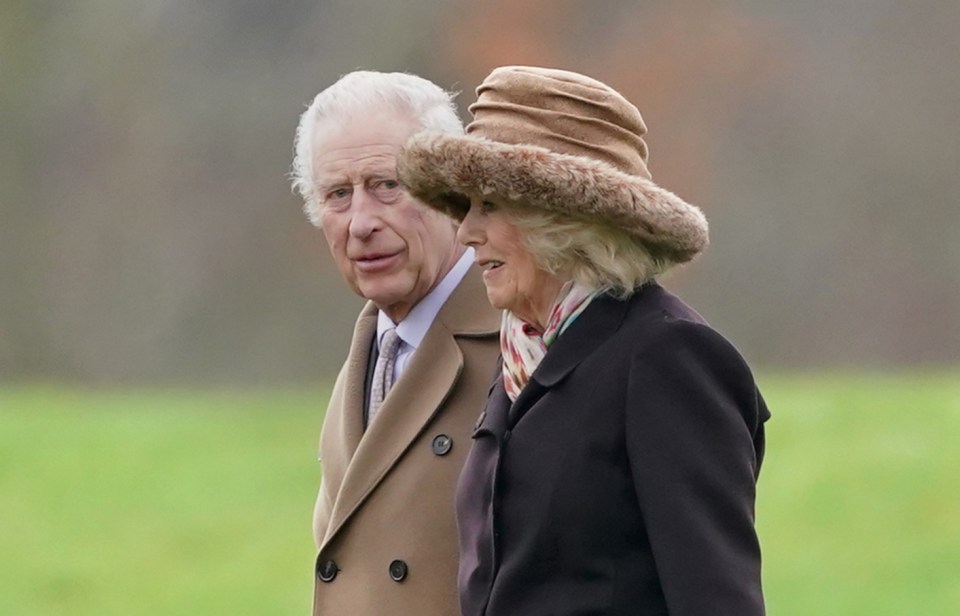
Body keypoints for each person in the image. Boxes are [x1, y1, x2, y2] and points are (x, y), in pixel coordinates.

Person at [398, 65, 771, 615]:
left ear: (562, 216)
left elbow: (716, 598)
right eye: (466, 206)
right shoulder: (521, 357)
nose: (465, 232)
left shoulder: (668, 357)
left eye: (490, 206)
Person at [290, 70, 501, 616]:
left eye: (387, 185)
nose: (361, 222)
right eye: (338, 194)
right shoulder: (366, 355)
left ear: (452, 192)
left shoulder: (523, 345)